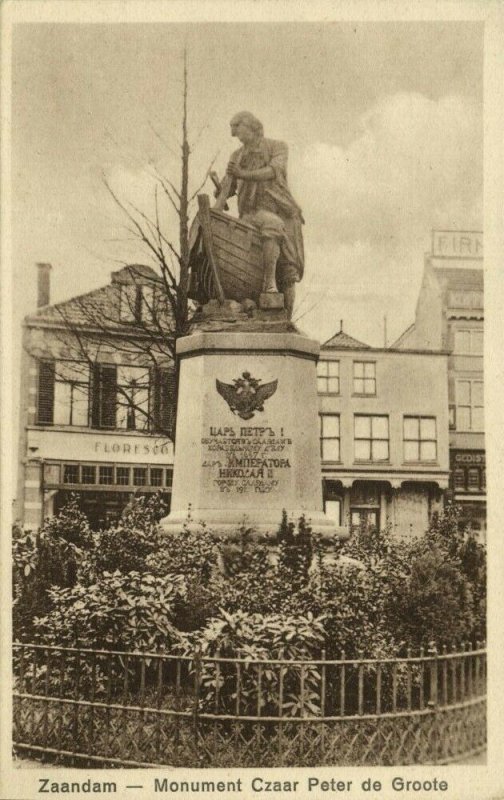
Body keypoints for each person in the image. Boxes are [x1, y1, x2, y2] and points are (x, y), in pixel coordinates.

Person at [224, 111, 304, 319]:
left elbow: (272, 172)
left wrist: (242, 174)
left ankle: (281, 311)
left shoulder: (277, 147)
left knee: (288, 270)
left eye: (239, 131)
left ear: (251, 127)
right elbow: (229, 187)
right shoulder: (237, 156)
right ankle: (264, 290)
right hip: (249, 214)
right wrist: (222, 190)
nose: (237, 138)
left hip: (280, 213)